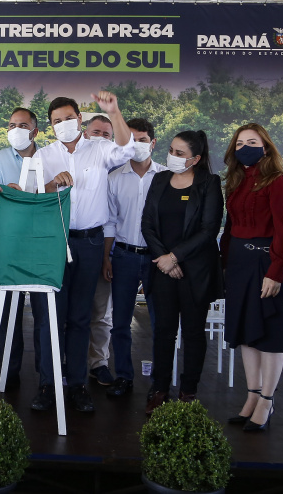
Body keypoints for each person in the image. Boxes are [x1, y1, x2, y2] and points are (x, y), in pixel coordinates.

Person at [33, 92, 134, 412]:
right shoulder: (42, 156)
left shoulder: (100, 149)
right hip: (53, 242)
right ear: (50, 126)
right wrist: (51, 185)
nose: (64, 124)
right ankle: (48, 384)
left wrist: (114, 112)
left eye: (69, 118)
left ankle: (77, 385)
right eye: (57, 121)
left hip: (90, 243)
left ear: (80, 119)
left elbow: (128, 149)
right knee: (51, 318)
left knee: (80, 318)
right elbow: (32, 198)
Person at [219, 123, 283, 431]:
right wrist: (224, 264)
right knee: (245, 332)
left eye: (252, 142)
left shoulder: (279, 181)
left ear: (265, 147)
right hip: (238, 264)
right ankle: (251, 396)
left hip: (267, 263)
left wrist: (276, 272)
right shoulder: (236, 181)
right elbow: (230, 227)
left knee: (270, 333)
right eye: (239, 143)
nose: (245, 148)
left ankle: (267, 400)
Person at [141, 130, 223, 415]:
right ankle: (159, 389)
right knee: (163, 331)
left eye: (179, 153)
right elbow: (147, 223)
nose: (172, 157)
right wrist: (164, 260)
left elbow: (209, 229)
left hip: (195, 272)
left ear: (195, 159)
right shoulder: (159, 179)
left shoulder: (209, 183)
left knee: (193, 333)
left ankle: (189, 391)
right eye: (171, 150)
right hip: (162, 269)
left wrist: (174, 257)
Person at [0, 107, 46, 386]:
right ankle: (7, 370)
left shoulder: (48, 156)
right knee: (7, 310)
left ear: (35, 131)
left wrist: (16, 196)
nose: (15, 130)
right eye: (10, 125)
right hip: (7, 242)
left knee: (45, 312)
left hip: (42, 242)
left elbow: (50, 195)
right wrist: (7, 193)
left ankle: (47, 377)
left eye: (22, 125)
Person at [102, 117, 165, 398]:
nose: (138, 145)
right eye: (132, 141)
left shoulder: (166, 178)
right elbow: (110, 222)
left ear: (153, 143)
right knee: (120, 323)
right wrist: (106, 258)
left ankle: (160, 382)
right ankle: (123, 376)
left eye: (142, 140)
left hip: (158, 259)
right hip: (124, 256)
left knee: (160, 323)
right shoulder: (114, 178)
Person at [84, 114, 116, 387]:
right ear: (85, 133)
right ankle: (67, 362)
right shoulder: (73, 163)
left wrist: (107, 256)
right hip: (79, 246)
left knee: (102, 313)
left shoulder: (118, 169)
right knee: (73, 312)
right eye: (96, 132)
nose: (101, 138)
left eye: (107, 135)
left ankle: (99, 363)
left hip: (108, 250)